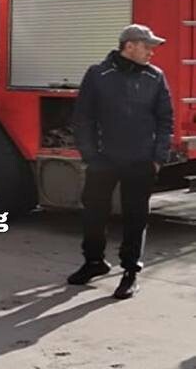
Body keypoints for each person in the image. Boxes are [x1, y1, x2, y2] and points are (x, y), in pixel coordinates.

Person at [68, 24, 173, 300]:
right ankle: (94, 261)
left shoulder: (155, 77)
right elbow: (83, 117)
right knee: (93, 213)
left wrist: (157, 158)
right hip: (103, 160)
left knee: (135, 216)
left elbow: (165, 120)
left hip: (141, 161)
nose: (152, 52)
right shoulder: (98, 75)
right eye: (147, 46)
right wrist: (90, 155)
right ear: (129, 46)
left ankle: (130, 272)